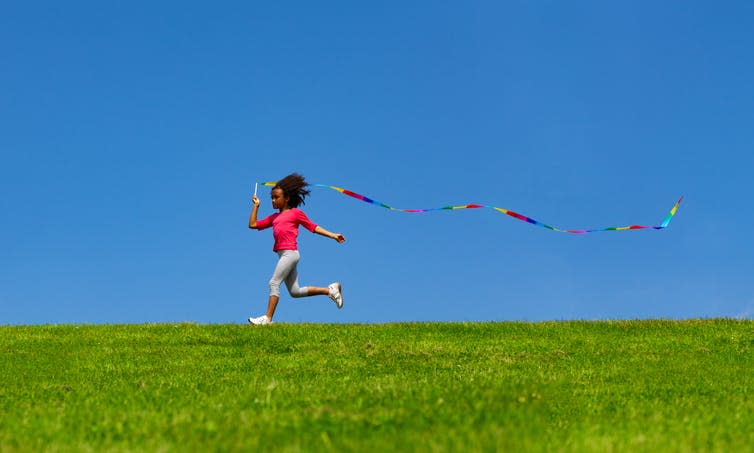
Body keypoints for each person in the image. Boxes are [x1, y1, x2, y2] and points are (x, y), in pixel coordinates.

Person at [247, 173, 345, 325]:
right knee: (295, 292)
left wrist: (333, 235)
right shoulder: (274, 218)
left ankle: (267, 319)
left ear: (286, 198)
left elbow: (313, 227)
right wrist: (256, 206)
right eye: (271, 197)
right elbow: (253, 225)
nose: (273, 200)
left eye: (276, 197)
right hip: (283, 255)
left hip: (290, 254)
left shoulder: (295, 213)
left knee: (273, 283)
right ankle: (330, 290)